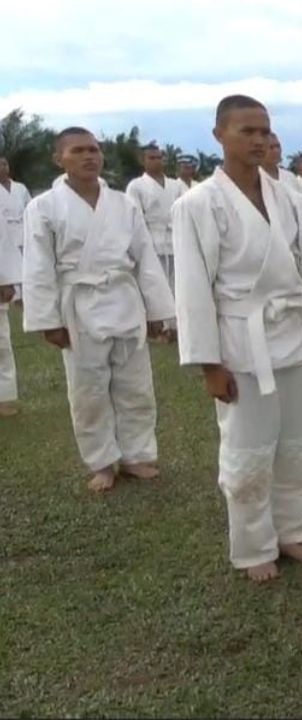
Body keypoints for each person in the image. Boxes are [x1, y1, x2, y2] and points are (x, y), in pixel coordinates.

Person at [172, 95, 302, 582]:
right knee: (248, 448)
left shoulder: (291, 199)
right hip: (240, 341)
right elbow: (193, 287)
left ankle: (294, 530)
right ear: (219, 136)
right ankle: (253, 545)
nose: (257, 140)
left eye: (264, 131)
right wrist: (208, 363)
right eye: (245, 131)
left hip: (293, 332)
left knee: (299, 440)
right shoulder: (197, 204)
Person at [24, 127, 175, 491]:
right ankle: (102, 461)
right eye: (78, 151)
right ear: (59, 159)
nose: (90, 156)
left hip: (124, 299)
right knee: (88, 390)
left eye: (94, 150)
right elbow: (38, 266)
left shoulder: (124, 203)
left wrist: (157, 311)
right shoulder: (43, 207)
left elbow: (145, 259)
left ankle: (138, 454)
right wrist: (48, 319)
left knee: (136, 385)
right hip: (80, 305)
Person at [125, 145, 183, 308]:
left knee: (177, 283)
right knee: (155, 282)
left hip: (175, 240)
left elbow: (183, 213)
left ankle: (176, 323)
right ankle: (160, 322)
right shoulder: (136, 186)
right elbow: (135, 217)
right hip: (151, 240)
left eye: (160, 157)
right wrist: (143, 243)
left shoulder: (175, 185)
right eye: (152, 158)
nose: (157, 161)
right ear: (142, 161)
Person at [0, 156, 31, 416]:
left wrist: (7, 278)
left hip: (15, 242)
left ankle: (4, 397)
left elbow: (2, 240)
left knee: (0, 341)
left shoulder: (19, 189)